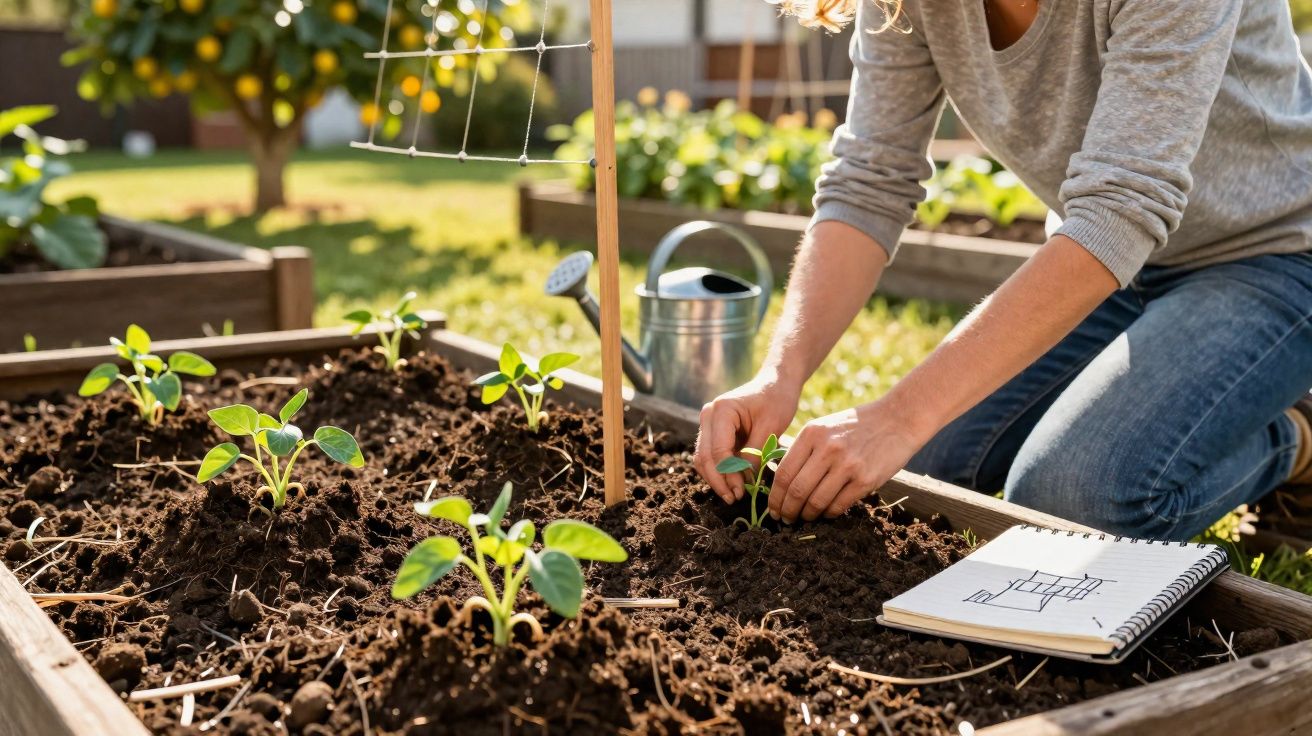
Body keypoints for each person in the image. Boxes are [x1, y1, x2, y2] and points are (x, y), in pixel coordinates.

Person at [694, 0, 1312, 541]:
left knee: (1072, 500)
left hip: (1275, 253)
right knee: (920, 476)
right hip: (1113, 274)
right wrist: (781, 374)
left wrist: (897, 416)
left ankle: (1294, 436)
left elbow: (1121, 208)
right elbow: (868, 181)